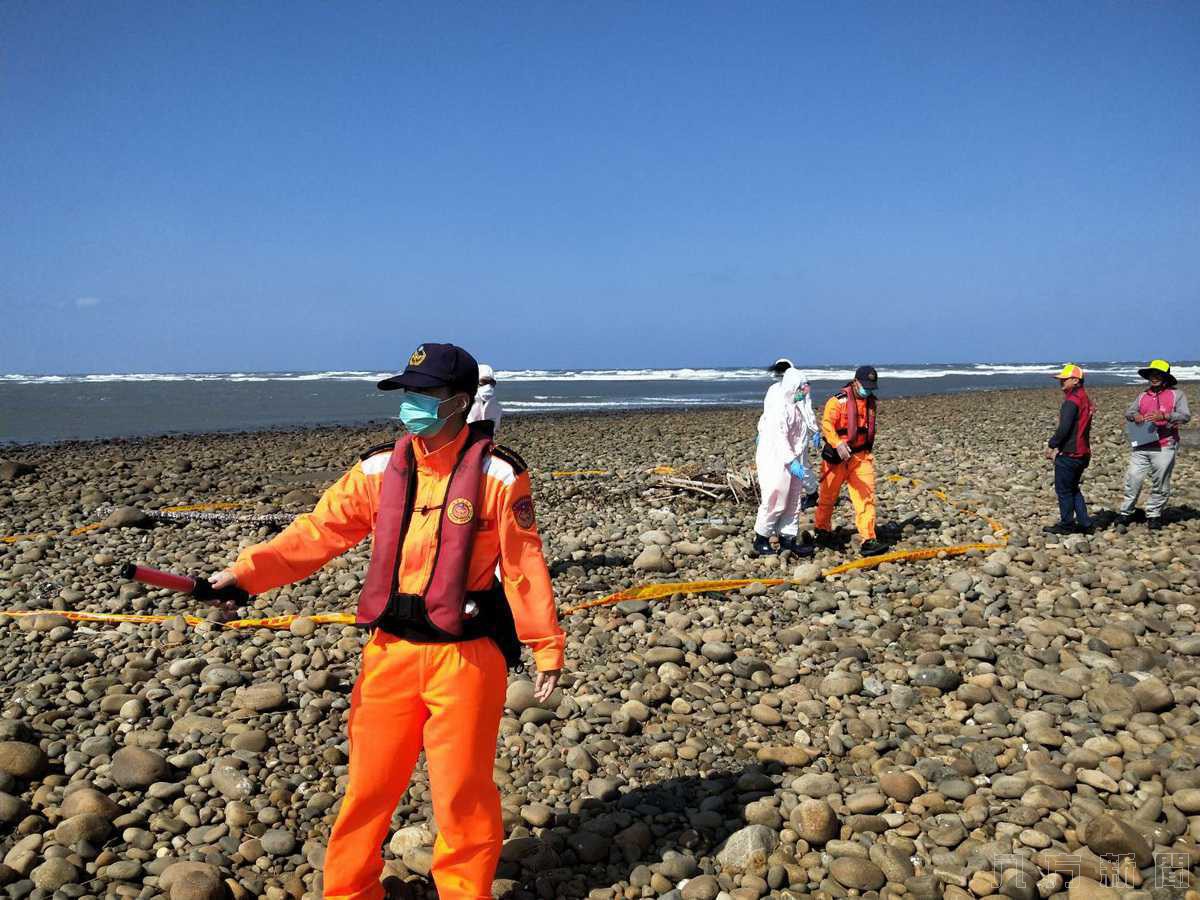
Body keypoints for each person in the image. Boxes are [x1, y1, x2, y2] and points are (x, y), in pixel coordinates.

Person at [208, 343, 565, 900]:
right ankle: (349, 892)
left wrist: (546, 644)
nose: (412, 405)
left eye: (425, 394)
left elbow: (522, 564)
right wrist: (246, 574)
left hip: (467, 657)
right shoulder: (378, 468)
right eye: (407, 393)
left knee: (462, 794)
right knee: (368, 789)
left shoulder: (500, 474)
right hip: (390, 651)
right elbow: (318, 532)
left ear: (461, 401)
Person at [814, 365, 887, 557]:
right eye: (866, 386)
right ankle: (822, 530)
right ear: (856, 382)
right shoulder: (837, 401)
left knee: (866, 498)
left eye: (872, 387)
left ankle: (868, 539)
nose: (868, 390)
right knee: (828, 497)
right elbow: (827, 424)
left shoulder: (871, 403)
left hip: (861, 457)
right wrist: (837, 443)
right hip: (837, 458)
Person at [752, 367, 818, 557]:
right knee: (776, 496)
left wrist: (815, 433)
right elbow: (779, 438)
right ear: (792, 387)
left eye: (805, 387)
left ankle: (787, 539)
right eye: (801, 388)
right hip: (776, 459)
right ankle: (761, 538)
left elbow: (801, 434)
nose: (804, 392)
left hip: (794, 459)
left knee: (794, 499)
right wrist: (791, 460)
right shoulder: (780, 409)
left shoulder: (798, 408)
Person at [1119, 359, 1191, 529]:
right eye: (1152, 374)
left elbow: (1185, 416)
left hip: (1165, 444)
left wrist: (1165, 416)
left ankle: (1154, 514)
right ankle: (1126, 512)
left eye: (1158, 374)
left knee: (1160, 481)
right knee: (1133, 478)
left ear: (1166, 377)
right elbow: (1129, 411)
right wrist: (1134, 416)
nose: (1154, 377)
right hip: (1142, 443)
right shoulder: (1143, 395)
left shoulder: (1177, 394)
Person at [1044, 363, 1095, 535]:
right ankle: (1085, 523)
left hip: (1071, 453)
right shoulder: (1084, 398)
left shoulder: (1072, 401)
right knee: (1073, 488)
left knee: (1064, 490)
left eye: (1064, 379)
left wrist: (1052, 445)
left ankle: (1067, 524)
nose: (1061, 382)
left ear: (1075, 380)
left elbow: (1064, 428)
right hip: (1083, 452)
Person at [467, 363, 502, 434]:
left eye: (492, 382)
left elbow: (493, 430)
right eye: (484, 382)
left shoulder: (496, 407)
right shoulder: (463, 404)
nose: (488, 386)